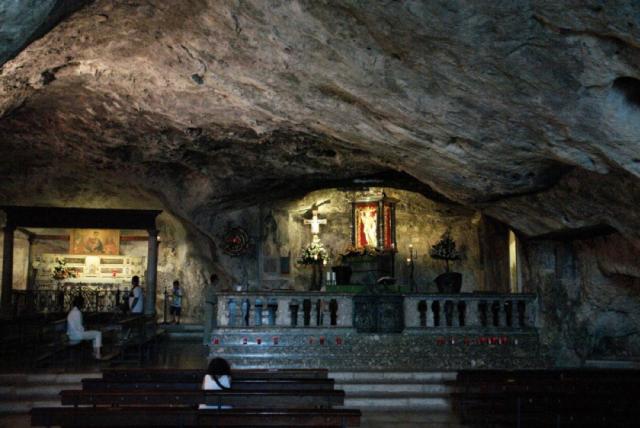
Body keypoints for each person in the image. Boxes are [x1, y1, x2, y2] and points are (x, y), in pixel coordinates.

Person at [203, 273, 219, 345]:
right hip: (209, 305)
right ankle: (206, 341)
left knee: (212, 324)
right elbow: (216, 293)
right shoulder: (210, 287)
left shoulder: (213, 287)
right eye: (217, 280)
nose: (218, 281)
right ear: (214, 280)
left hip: (212, 305)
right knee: (208, 324)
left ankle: (211, 340)